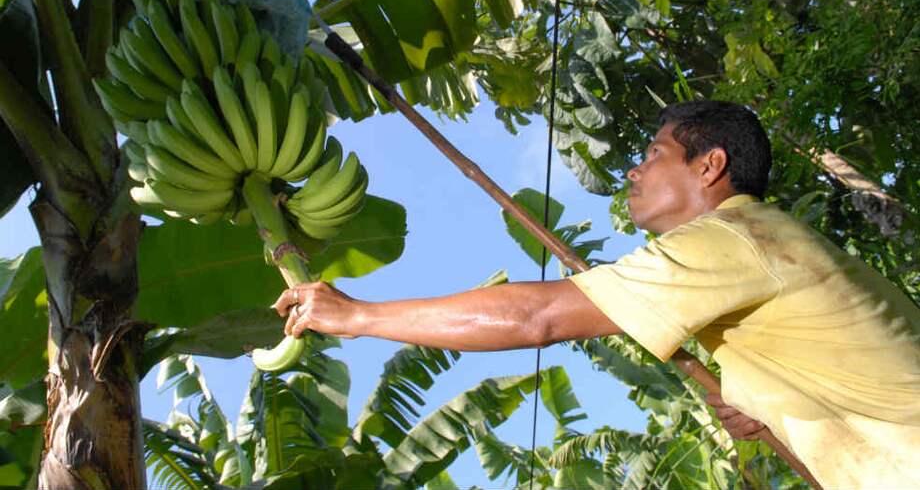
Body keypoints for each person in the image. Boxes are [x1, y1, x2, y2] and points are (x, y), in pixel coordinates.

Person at [272, 100, 920, 489]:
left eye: (654, 152)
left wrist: (358, 314)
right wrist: (768, 405)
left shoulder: (732, 238)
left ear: (710, 165)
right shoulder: (763, 243)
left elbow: (538, 315)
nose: (636, 169)